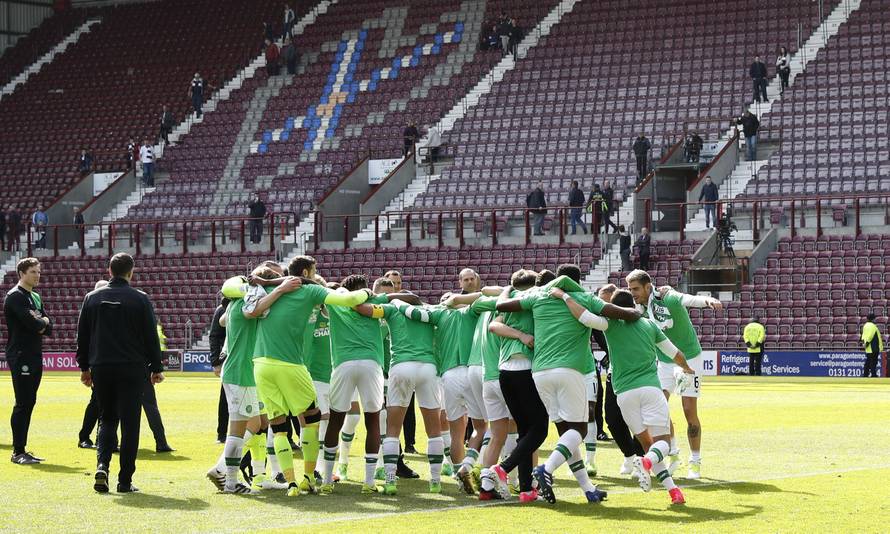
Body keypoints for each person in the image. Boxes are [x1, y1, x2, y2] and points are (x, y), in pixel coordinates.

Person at [222, 255, 371, 496]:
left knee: (278, 424)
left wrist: (269, 284)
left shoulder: (256, 291)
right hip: (290, 363)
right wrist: (367, 294)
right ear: (307, 273)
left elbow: (227, 289)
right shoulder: (309, 291)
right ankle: (308, 477)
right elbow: (351, 299)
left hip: (260, 364)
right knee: (310, 419)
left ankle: (289, 482)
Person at [495, 266, 640, 504]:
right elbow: (617, 313)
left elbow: (501, 306)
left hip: (540, 372)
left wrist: (506, 289)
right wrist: (637, 313)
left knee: (566, 434)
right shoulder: (582, 297)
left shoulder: (536, 296)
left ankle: (588, 488)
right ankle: (544, 469)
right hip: (571, 370)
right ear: (577, 281)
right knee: (580, 430)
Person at [554, 287, 694, 505]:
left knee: (648, 445)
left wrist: (564, 296)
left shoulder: (610, 325)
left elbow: (583, 316)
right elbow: (675, 353)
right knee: (662, 443)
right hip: (650, 388)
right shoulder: (648, 324)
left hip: (624, 394)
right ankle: (646, 464)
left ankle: (673, 491)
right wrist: (686, 368)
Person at [76, 253, 164, 493]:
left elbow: (82, 336)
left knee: (107, 419)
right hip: (132, 367)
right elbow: (150, 337)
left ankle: (102, 465)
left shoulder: (91, 299)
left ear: (109, 270)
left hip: (102, 367)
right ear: (131, 272)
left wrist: (84, 367)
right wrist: (156, 368)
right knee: (130, 423)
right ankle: (125, 481)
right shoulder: (140, 299)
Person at [626, 270, 722, 479]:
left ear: (647, 286)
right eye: (630, 289)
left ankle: (695, 461)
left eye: (635, 289)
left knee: (689, 411)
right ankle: (673, 454)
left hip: (689, 359)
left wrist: (708, 300)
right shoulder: (638, 309)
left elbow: (688, 299)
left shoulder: (667, 296)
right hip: (664, 362)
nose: (632, 293)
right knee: (657, 409)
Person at [353, 296, 444, 495]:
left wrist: (374, 296)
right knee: (434, 430)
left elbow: (361, 308)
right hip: (428, 368)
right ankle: (436, 481)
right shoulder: (431, 312)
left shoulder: (392, 309)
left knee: (393, 429)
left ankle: (391, 479)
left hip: (402, 366)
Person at [483, 269, 539, 501]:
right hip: (524, 368)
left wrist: (506, 290)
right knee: (538, 429)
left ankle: (523, 487)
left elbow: (493, 326)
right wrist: (523, 336)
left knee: (519, 431)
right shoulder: (535, 301)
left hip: (503, 371)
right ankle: (504, 470)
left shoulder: (506, 305)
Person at [5, 257, 52, 465]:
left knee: (30, 401)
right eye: (33, 271)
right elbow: (35, 324)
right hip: (21, 354)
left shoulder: (35, 297)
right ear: (22, 273)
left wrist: (41, 321)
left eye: (39, 271)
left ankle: (22, 449)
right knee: (23, 403)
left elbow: (47, 327)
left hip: (34, 353)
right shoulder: (15, 297)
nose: (37, 275)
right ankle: (17, 452)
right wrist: (41, 321)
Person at [596, 284, 646, 476]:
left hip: (639, 375)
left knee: (638, 419)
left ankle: (640, 457)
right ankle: (629, 455)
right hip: (614, 374)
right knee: (612, 418)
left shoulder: (641, 321)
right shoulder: (604, 322)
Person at [209, 297, 229, 443]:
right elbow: (214, 336)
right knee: (225, 399)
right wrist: (216, 362)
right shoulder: (221, 310)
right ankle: (221, 434)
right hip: (229, 359)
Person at [861, 314, 884, 378]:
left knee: (868, 361)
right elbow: (870, 336)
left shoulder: (865, 325)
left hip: (868, 348)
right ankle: (873, 374)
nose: (875, 319)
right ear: (873, 319)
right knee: (873, 362)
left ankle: (865, 374)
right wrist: (867, 343)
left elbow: (863, 335)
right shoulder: (873, 326)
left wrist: (864, 343)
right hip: (874, 346)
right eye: (875, 318)